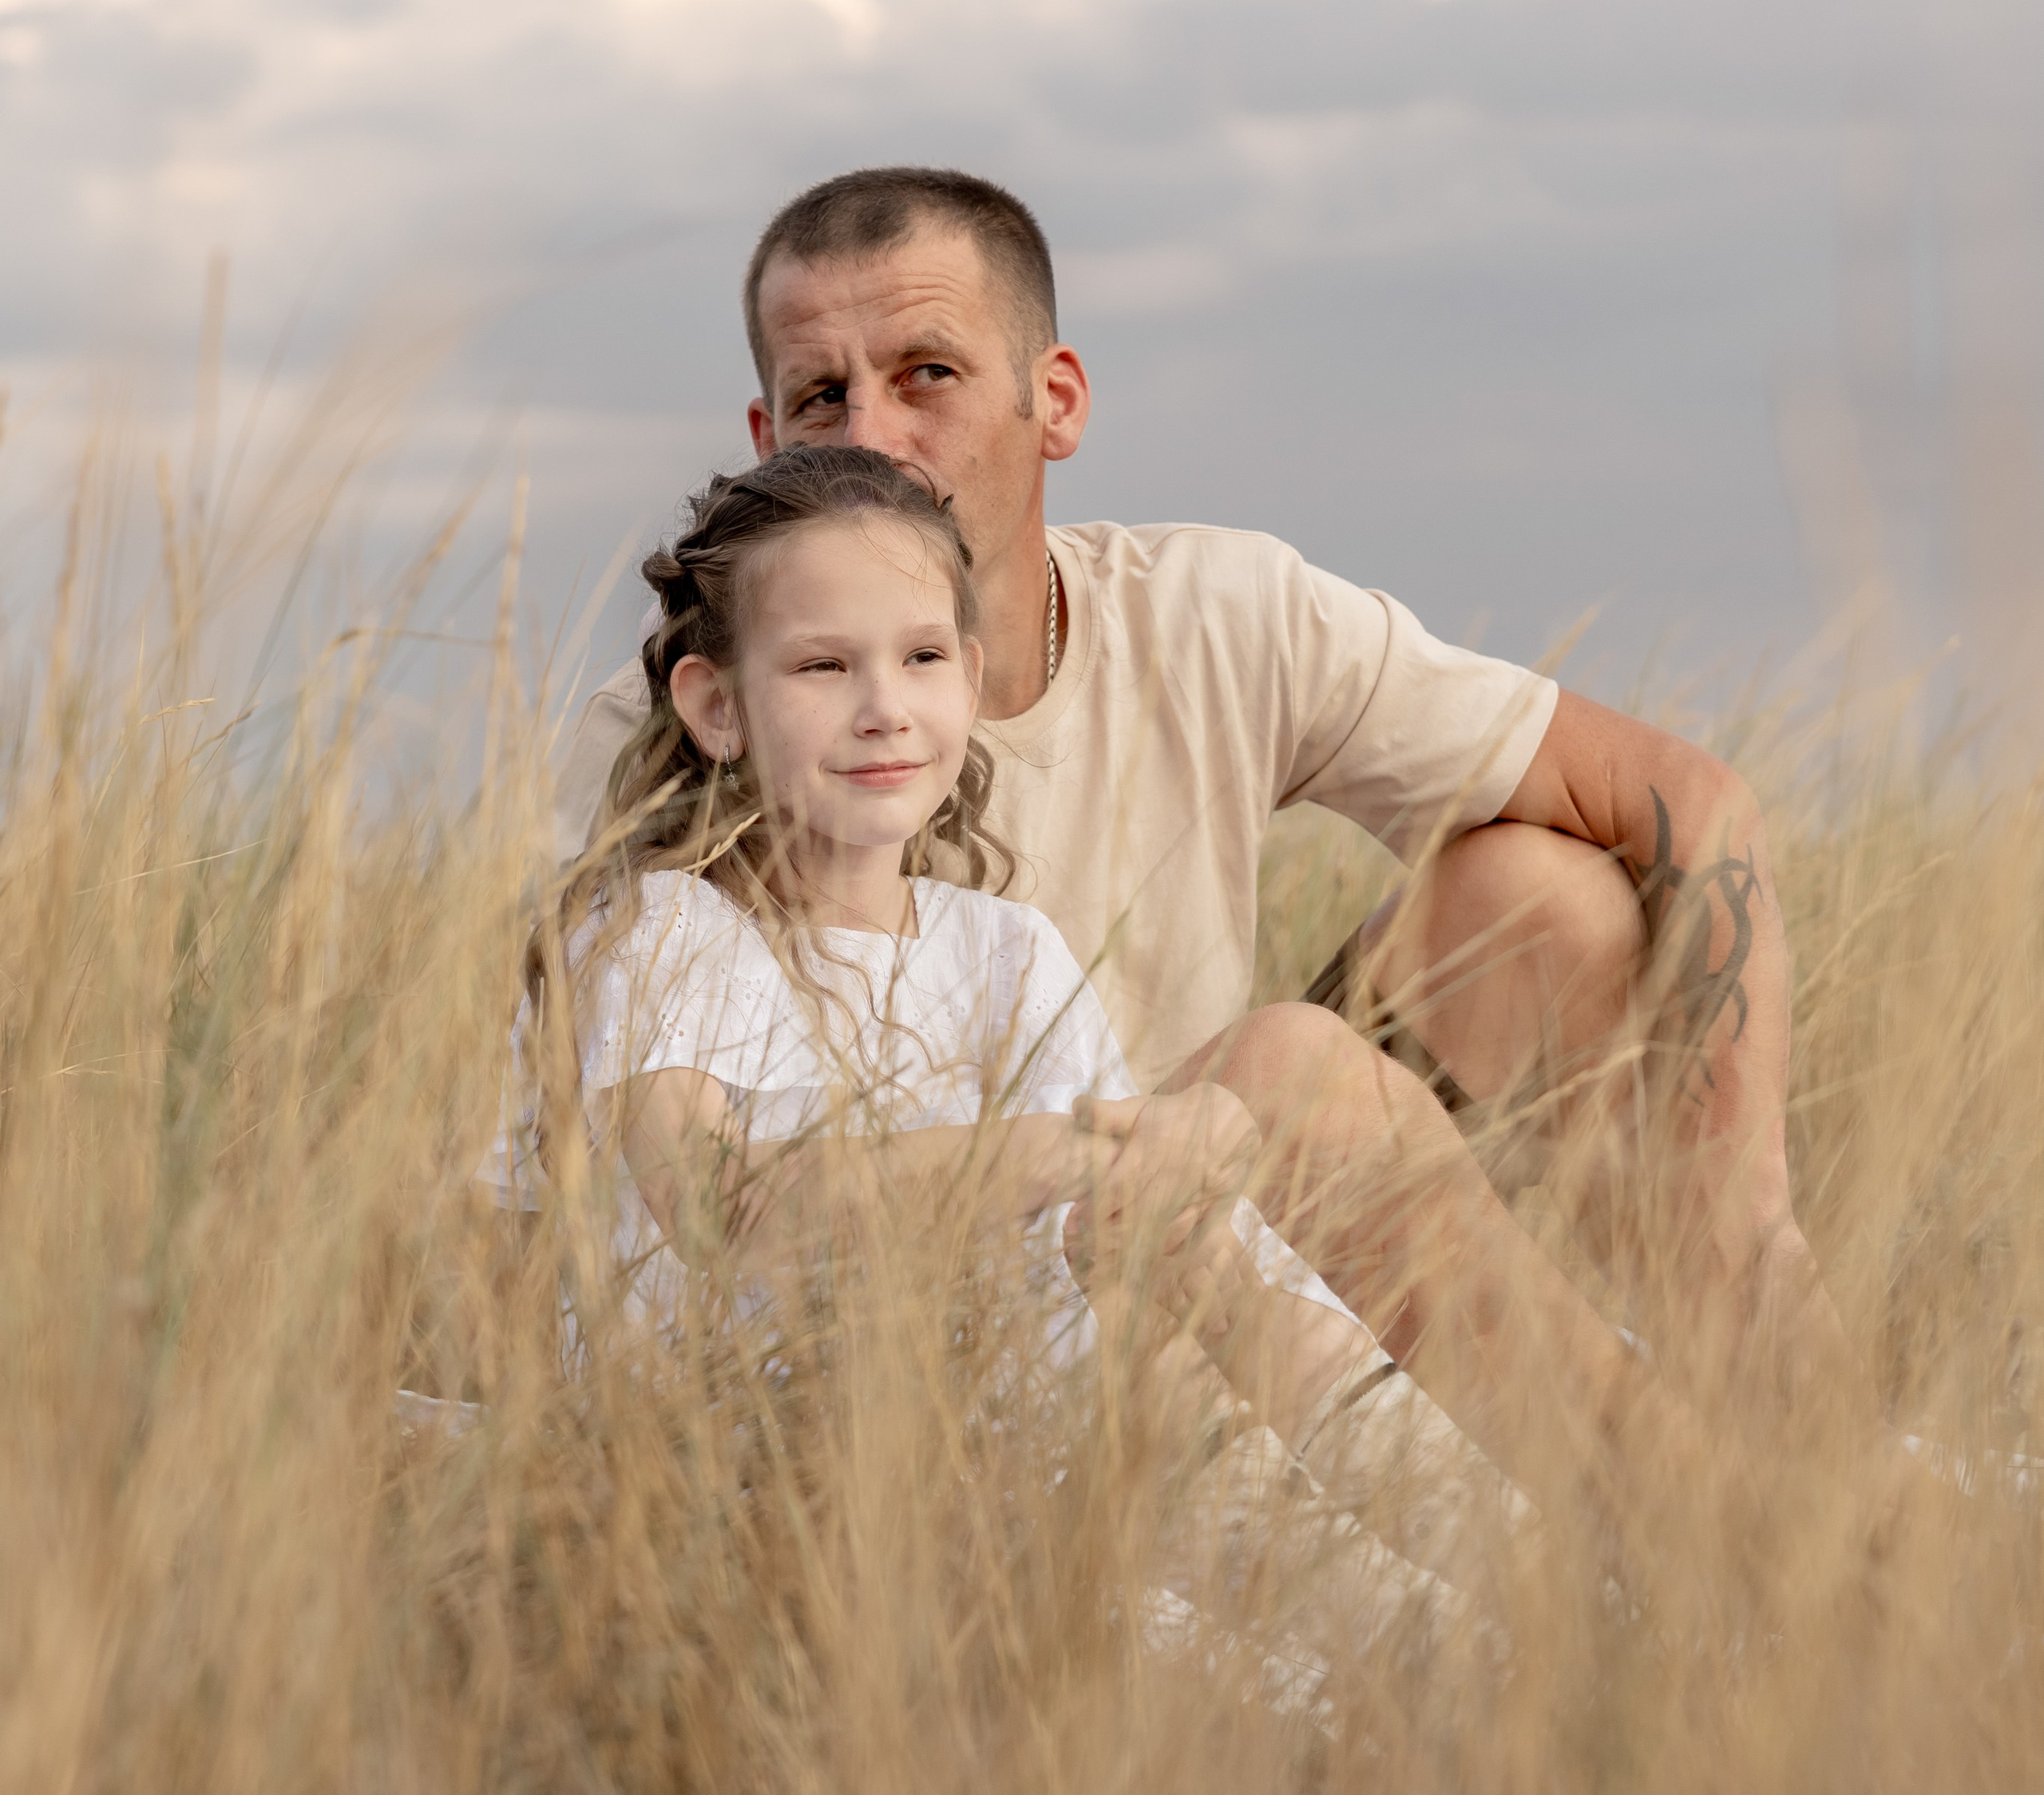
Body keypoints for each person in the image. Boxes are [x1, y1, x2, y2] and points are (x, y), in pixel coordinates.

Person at [556, 166, 1849, 1508]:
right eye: (825, 396)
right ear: (773, 437)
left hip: (1222, 1183)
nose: (875, 436)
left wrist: (1747, 1231)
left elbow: (1681, 797)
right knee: (1292, 1076)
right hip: (940, 1265)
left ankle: (1714, 1413)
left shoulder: (1217, 609)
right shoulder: (689, 727)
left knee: (1542, 896)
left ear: (1051, 401)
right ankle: (1694, 1516)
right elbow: (662, 1180)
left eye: (928, 373)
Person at [527, 439, 1391, 1472]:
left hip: (1013, 1441)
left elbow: (1131, 1235)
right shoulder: (668, 929)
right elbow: (732, 1211)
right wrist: (1103, 1148)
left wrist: (1187, 1157)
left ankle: (1441, 1509)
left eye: (922, 657)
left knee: (1215, 1288)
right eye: (824, 665)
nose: (885, 705)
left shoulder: (1004, 948)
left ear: (969, 680)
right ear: (720, 708)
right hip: (754, 1470)